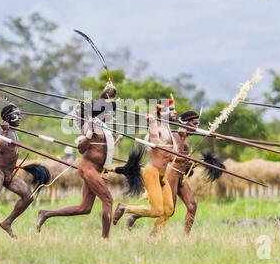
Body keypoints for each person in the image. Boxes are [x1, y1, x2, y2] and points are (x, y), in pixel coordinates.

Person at [37, 82, 143, 238]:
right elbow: (81, 148)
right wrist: (88, 135)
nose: (112, 115)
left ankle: (45, 214)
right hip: (88, 169)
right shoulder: (90, 125)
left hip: (96, 171)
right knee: (108, 200)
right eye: (110, 112)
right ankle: (105, 239)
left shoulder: (104, 126)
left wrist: (109, 92)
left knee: (84, 208)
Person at [0, 103, 50, 239]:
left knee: (28, 197)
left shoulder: (12, 131)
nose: (19, 118)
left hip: (10, 174)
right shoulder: (2, 131)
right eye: (16, 115)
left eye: (20, 115)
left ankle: (7, 222)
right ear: (7, 117)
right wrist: (4, 131)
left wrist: (8, 130)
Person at [126, 110, 200, 235]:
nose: (197, 127)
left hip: (180, 177)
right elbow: (173, 157)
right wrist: (182, 139)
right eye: (194, 123)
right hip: (171, 175)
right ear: (185, 124)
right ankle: (150, 229)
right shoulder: (176, 136)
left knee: (192, 206)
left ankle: (186, 236)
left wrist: (192, 165)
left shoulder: (184, 138)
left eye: (198, 124)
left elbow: (183, 161)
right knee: (168, 210)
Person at [113, 97, 177, 236]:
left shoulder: (168, 129)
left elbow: (172, 155)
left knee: (168, 210)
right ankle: (125, 208)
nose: (175, 112)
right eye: (171, 110)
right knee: (157, 211)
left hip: (163, 175)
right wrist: (152, 123)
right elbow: (154, 142)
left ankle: (153, 237)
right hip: (151, 172)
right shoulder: (155, 127)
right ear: (162, 111)